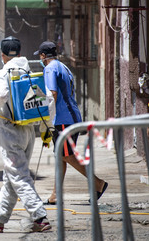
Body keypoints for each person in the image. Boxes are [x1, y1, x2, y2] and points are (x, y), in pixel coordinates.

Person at [0, 36, 51, 233]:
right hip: (29, 131)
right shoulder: (30, 71)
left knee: (19, 176)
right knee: (11, 176)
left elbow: (0, 95)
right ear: (20, 53)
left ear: (2, 55)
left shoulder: (2, 73)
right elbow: (44, 101)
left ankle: (40, 217)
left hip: (11, 132)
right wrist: (46, 130)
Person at [34, 41, 108, 205]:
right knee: (61, 157)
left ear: (44, 56)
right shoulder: (63, 67)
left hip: (62, 119)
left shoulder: (49, 68)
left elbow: (52, 94)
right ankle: (55, 195)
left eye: (40, 55)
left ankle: (98, 183)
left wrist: (46, 120)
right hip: (70, 116)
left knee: (67, 155)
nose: (40, 58)